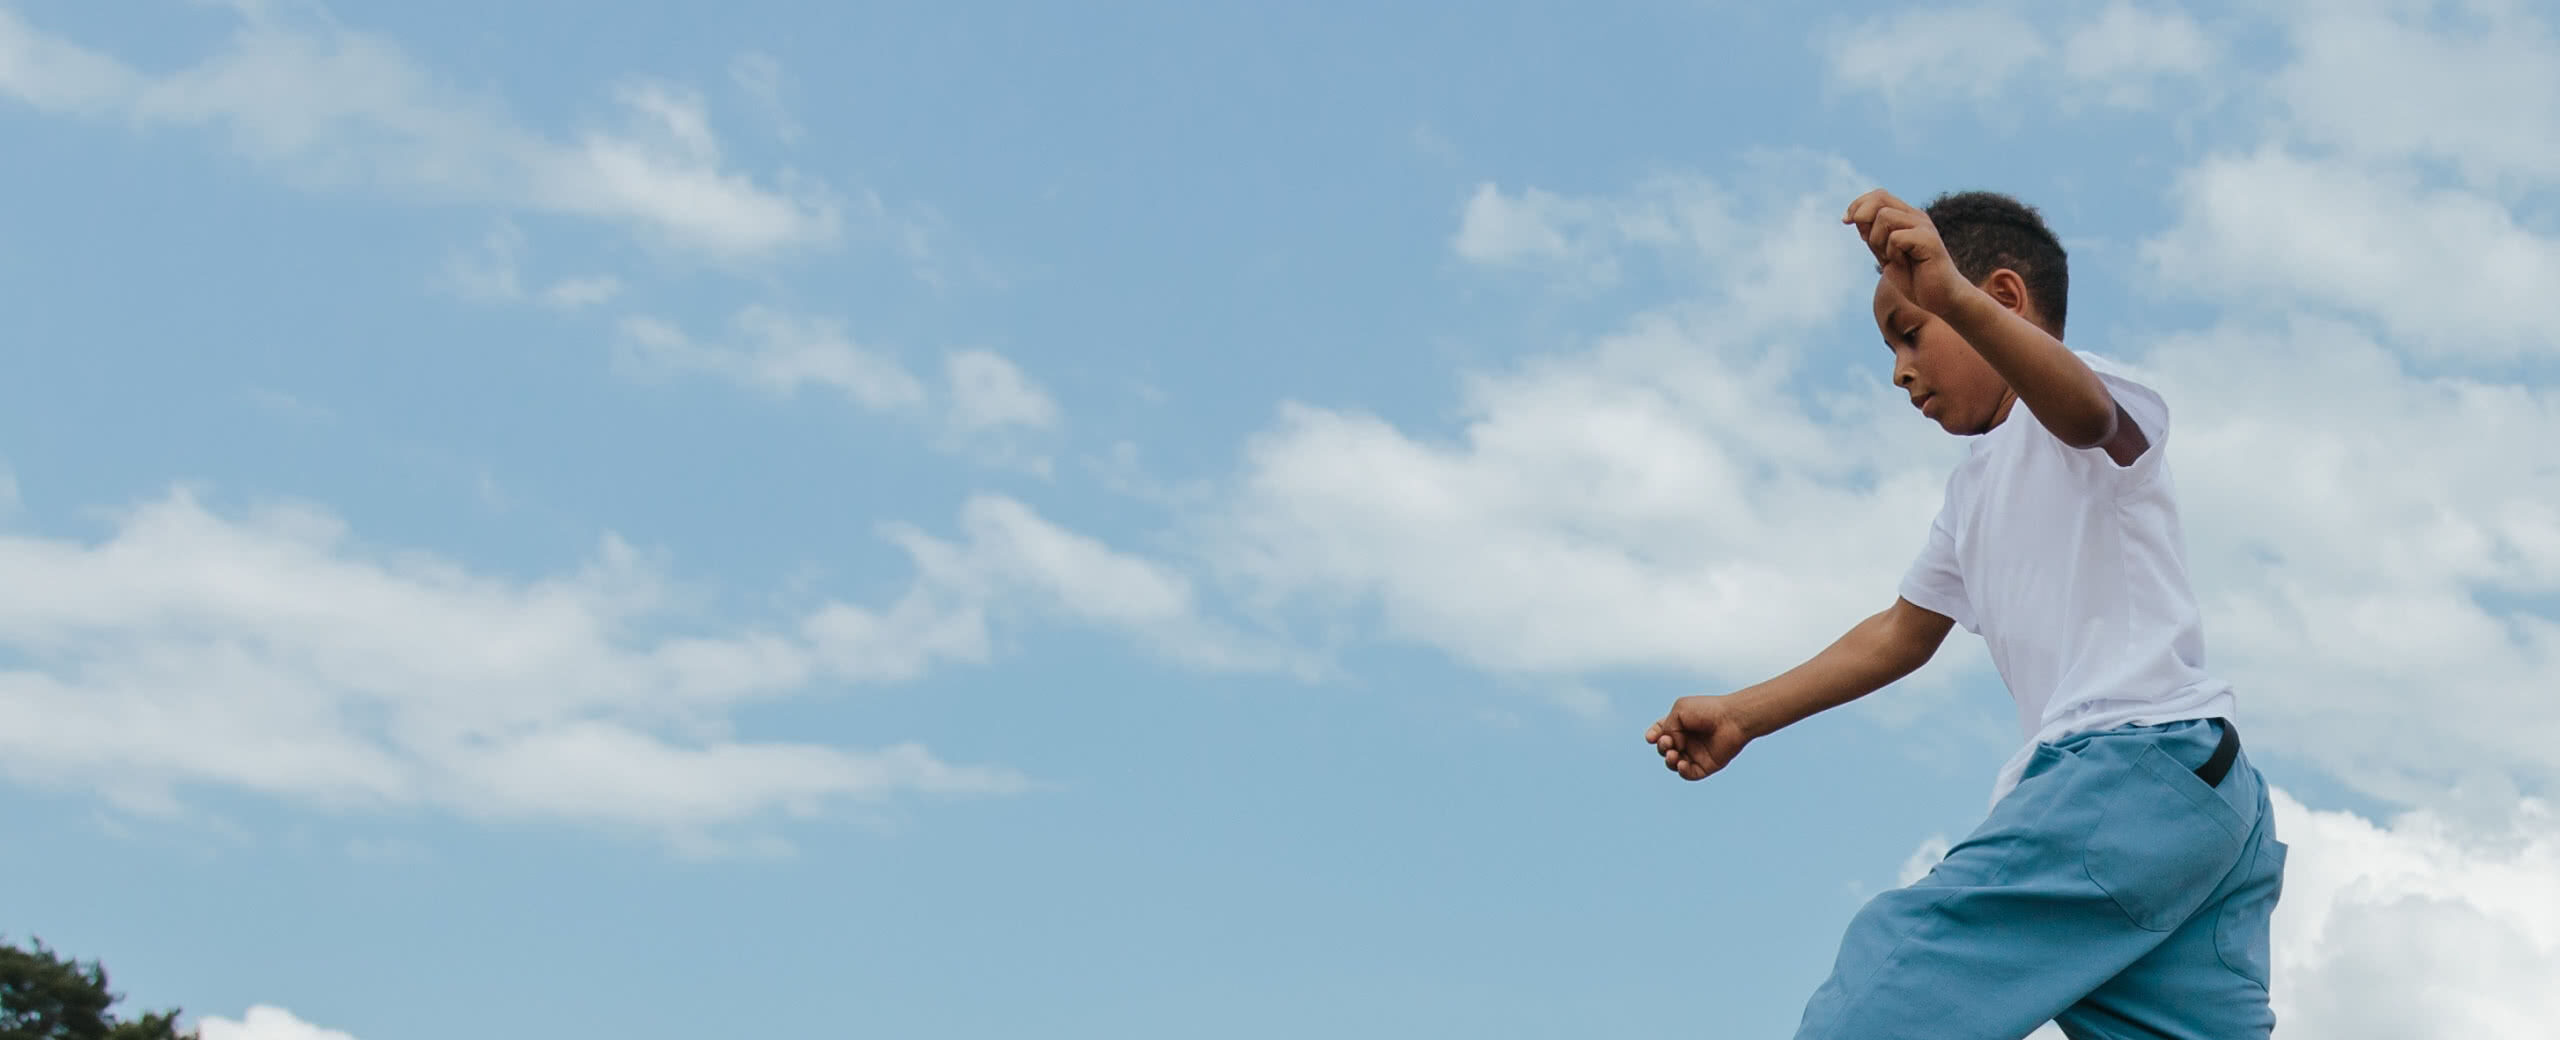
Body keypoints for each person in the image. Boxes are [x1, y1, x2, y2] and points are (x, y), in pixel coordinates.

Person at [1644, 189, 2286, 1039]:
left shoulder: (2089, 402)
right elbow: (1900, 634)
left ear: (2004, 300)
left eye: (1910, 334)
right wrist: (1741, 714)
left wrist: (1949, 293)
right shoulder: (1970, 493)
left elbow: (2085, 413)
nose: (1900, 371)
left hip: (2135, 764)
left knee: (1898, 960)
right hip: (2197, 807)